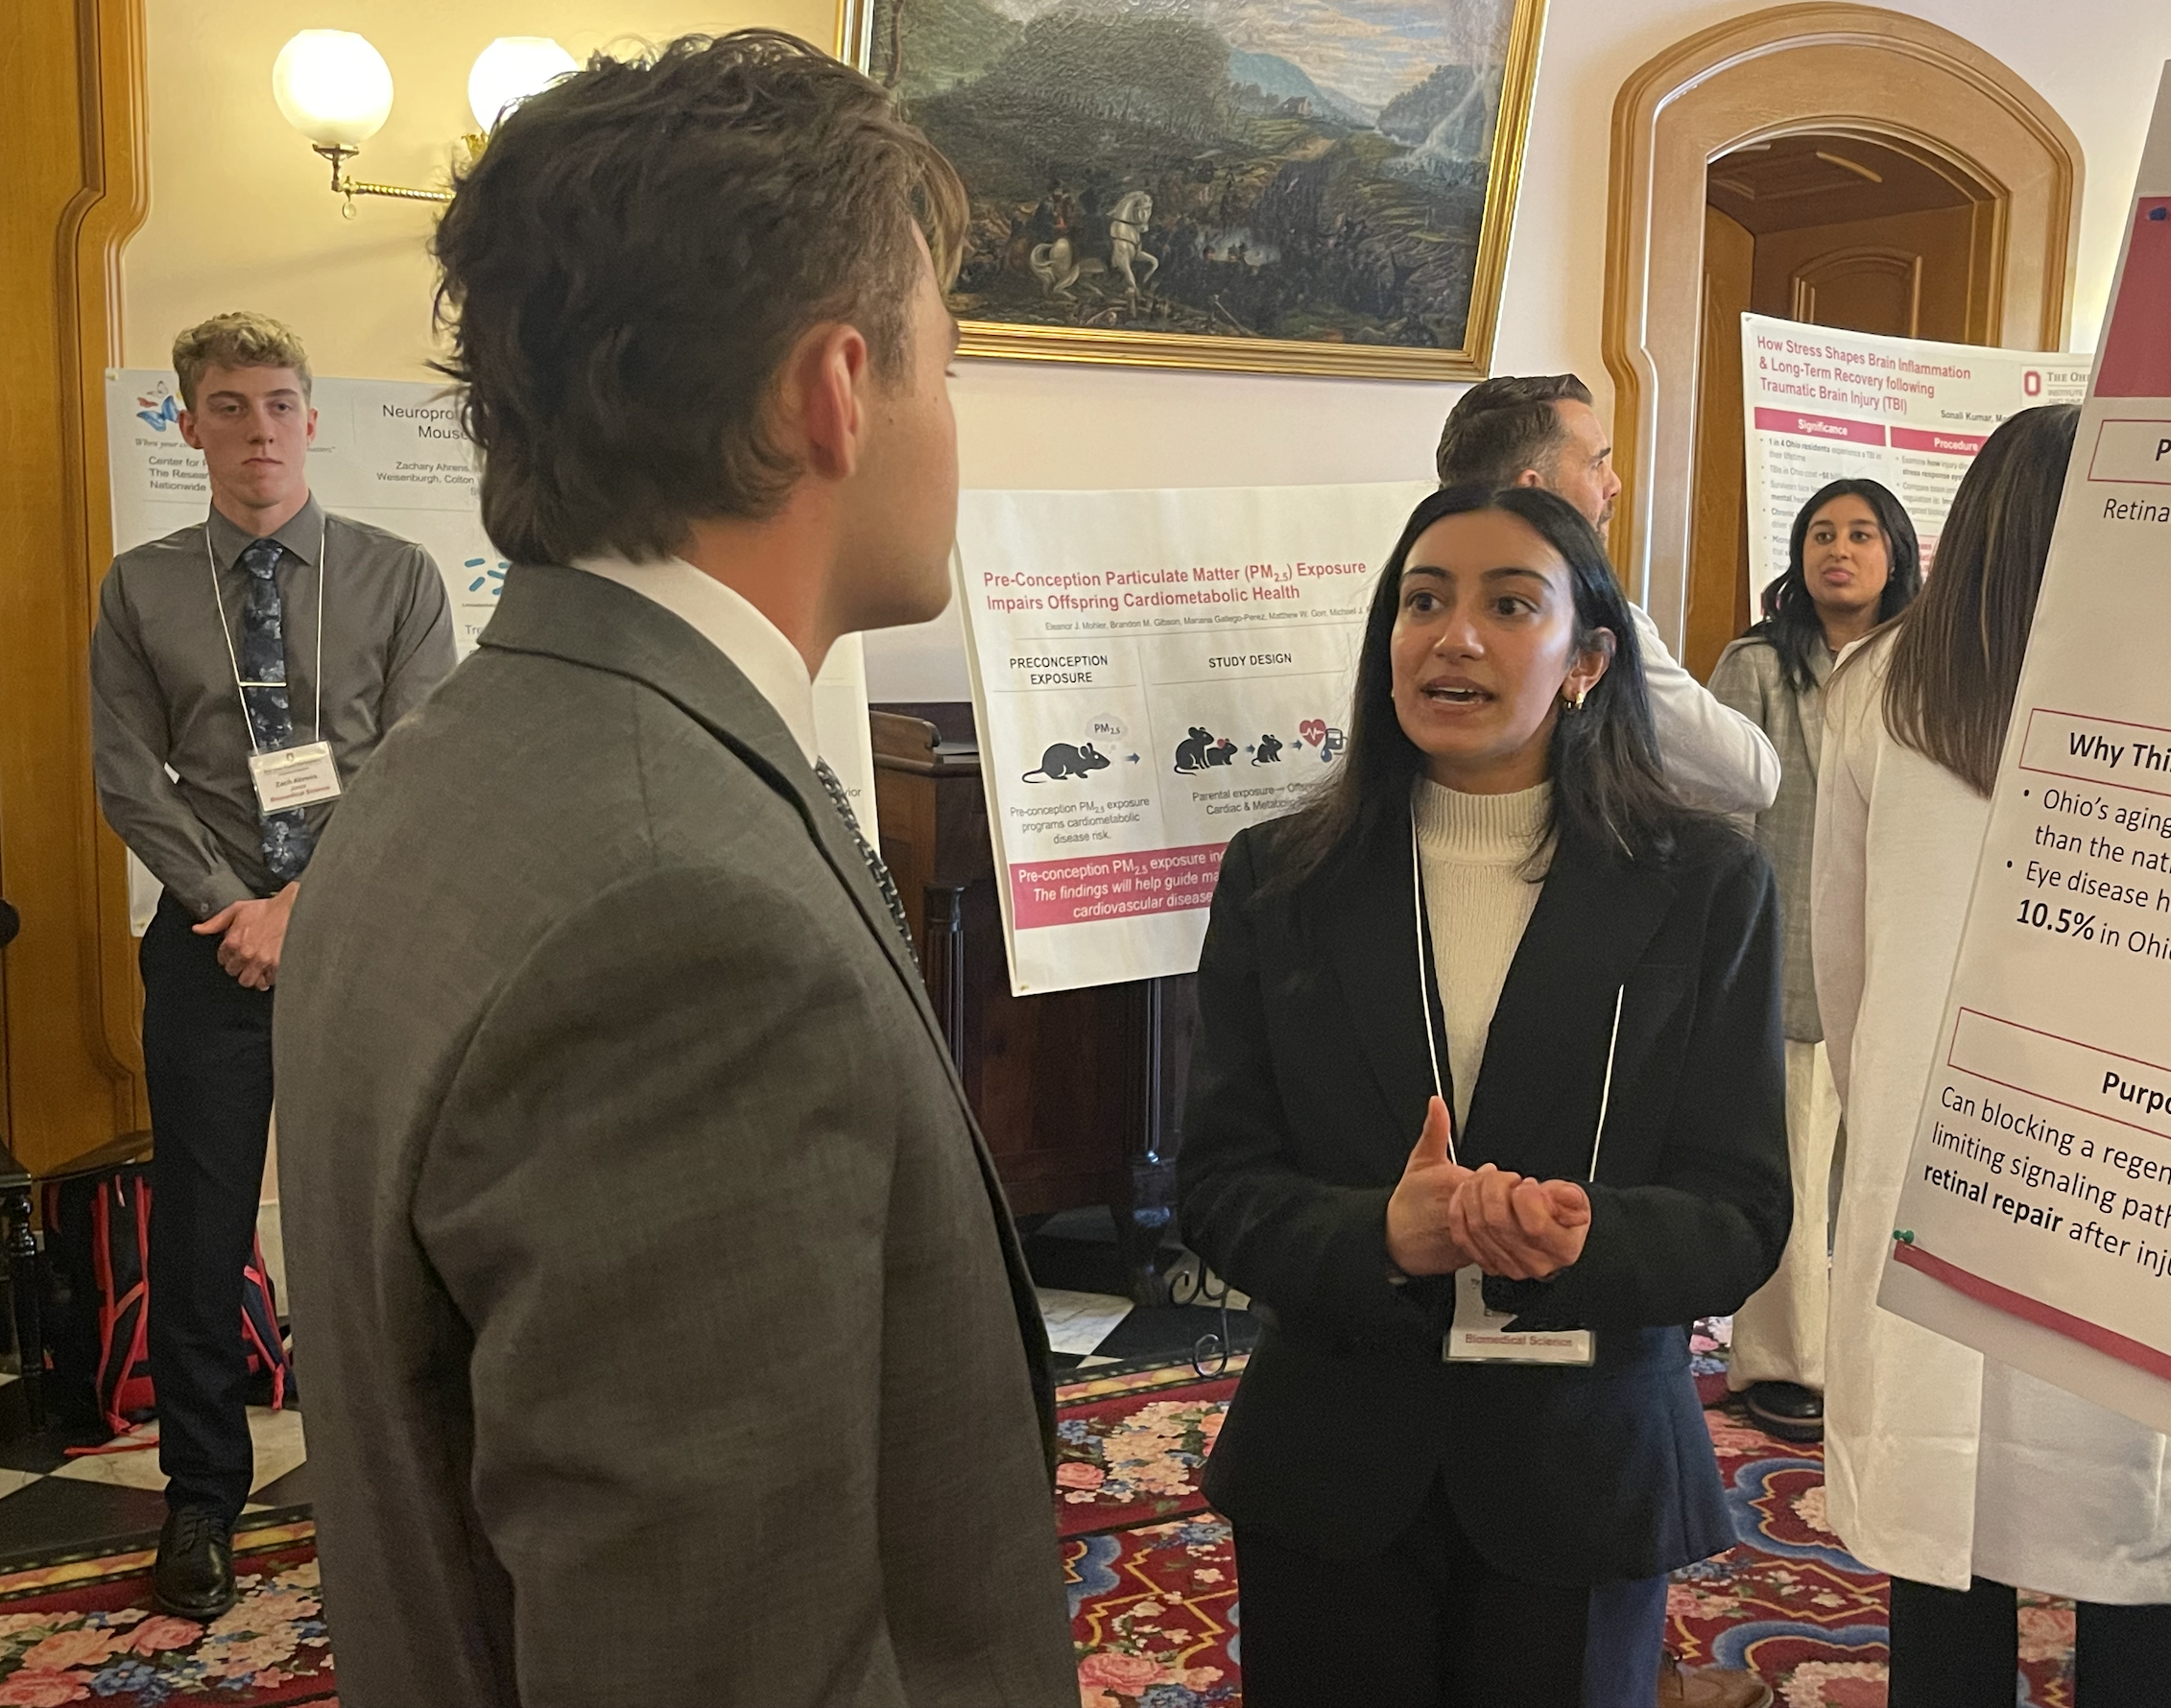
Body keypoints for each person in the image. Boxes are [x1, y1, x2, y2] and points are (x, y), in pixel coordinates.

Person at [269, 33, 1074, 1707]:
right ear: (834, 391)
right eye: (947, 355)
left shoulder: (468, 756)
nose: (954, 415)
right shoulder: (676, 918)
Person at [1178, 483, 1791, 1708]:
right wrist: (1377, 1233)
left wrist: (1588, 1237)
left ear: (1585, 659)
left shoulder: (1703, 884)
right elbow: (1216, 1178)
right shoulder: (1279, 878)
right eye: (1421, 601)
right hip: (1334, 1462)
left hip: (1582, 1458)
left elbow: (1736, 1209)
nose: (1452, 637)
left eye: (1510, 604)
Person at [1812, 404, 2171, 1705]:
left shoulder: (1880, 690)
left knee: (1945, 1562)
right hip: (2155, 1175)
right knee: (2159, 1544)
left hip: (1940, 1175)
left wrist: (1887, 1110)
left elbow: (1845, 967)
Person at [87, 311, 456, 1620]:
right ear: (186, 424)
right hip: (204, 947)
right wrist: (234, 907)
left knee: (384, 1221)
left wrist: (303, 907)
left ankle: (407, 1477)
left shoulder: (400, 574)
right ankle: (202, 1499)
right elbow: (130, 776)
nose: (260, 431)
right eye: (230, 406)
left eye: (281, 404)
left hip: (366, 938)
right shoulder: (137, 588)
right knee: (197, 1234)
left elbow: (415, 766)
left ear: (314, 419)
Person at [1711, 479, 1921, 1443]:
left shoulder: (1925, 663)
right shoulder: (1754, 663)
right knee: (1790, 1164)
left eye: (1860, 534)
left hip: (1897, 948)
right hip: (1784, 947)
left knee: (1874, 1170)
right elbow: (1717, 806)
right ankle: (1782, 1362)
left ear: (1895, 552)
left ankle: (1868, 1356)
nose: (1838, 550)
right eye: (1820, 534)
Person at [1436, 373, 1779, 818]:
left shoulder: (1409, 609)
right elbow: (1748, 775)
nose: (1613, 484)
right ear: (1533, 491)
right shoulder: (1593, 622)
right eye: (1597, 464)